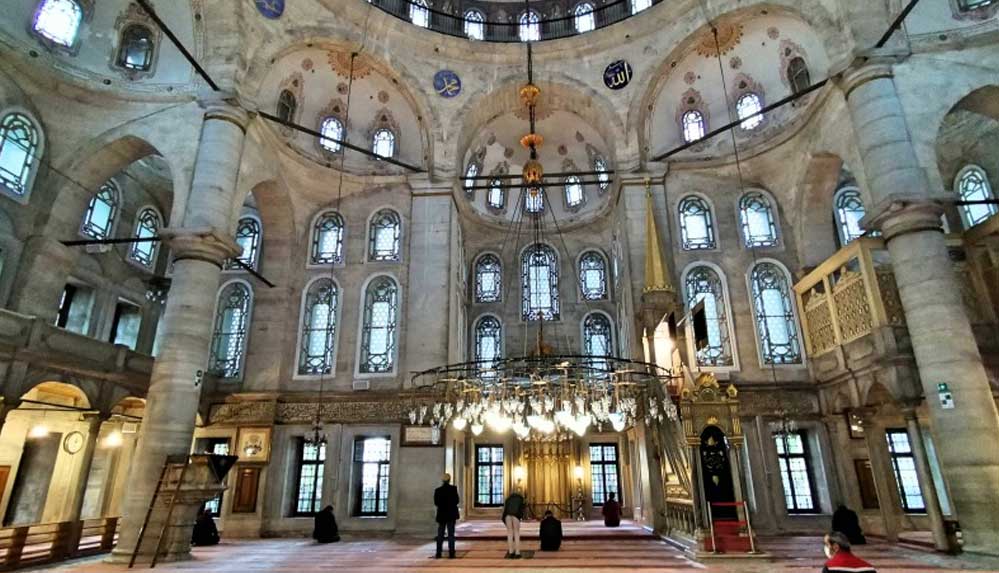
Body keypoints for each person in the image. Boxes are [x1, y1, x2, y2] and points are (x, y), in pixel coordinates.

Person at [433, 473, 460, 559]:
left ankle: (438, 553)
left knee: (440, 534)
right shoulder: (453, 489)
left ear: (442, 480)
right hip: (451, 514)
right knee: (451, 534)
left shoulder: (438, 490)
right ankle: (451, 553)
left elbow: (436, 502)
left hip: (442, 514)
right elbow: (457, 501)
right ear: (449, 480)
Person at [501, 487, 526, 559]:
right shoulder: (520, 499)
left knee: (509, 533)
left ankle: (511, 552)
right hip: (515, 515)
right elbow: (522, 509)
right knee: (516, 533)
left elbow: (505, 509)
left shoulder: (508, 498)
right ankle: (517, 553)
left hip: (507, 515)